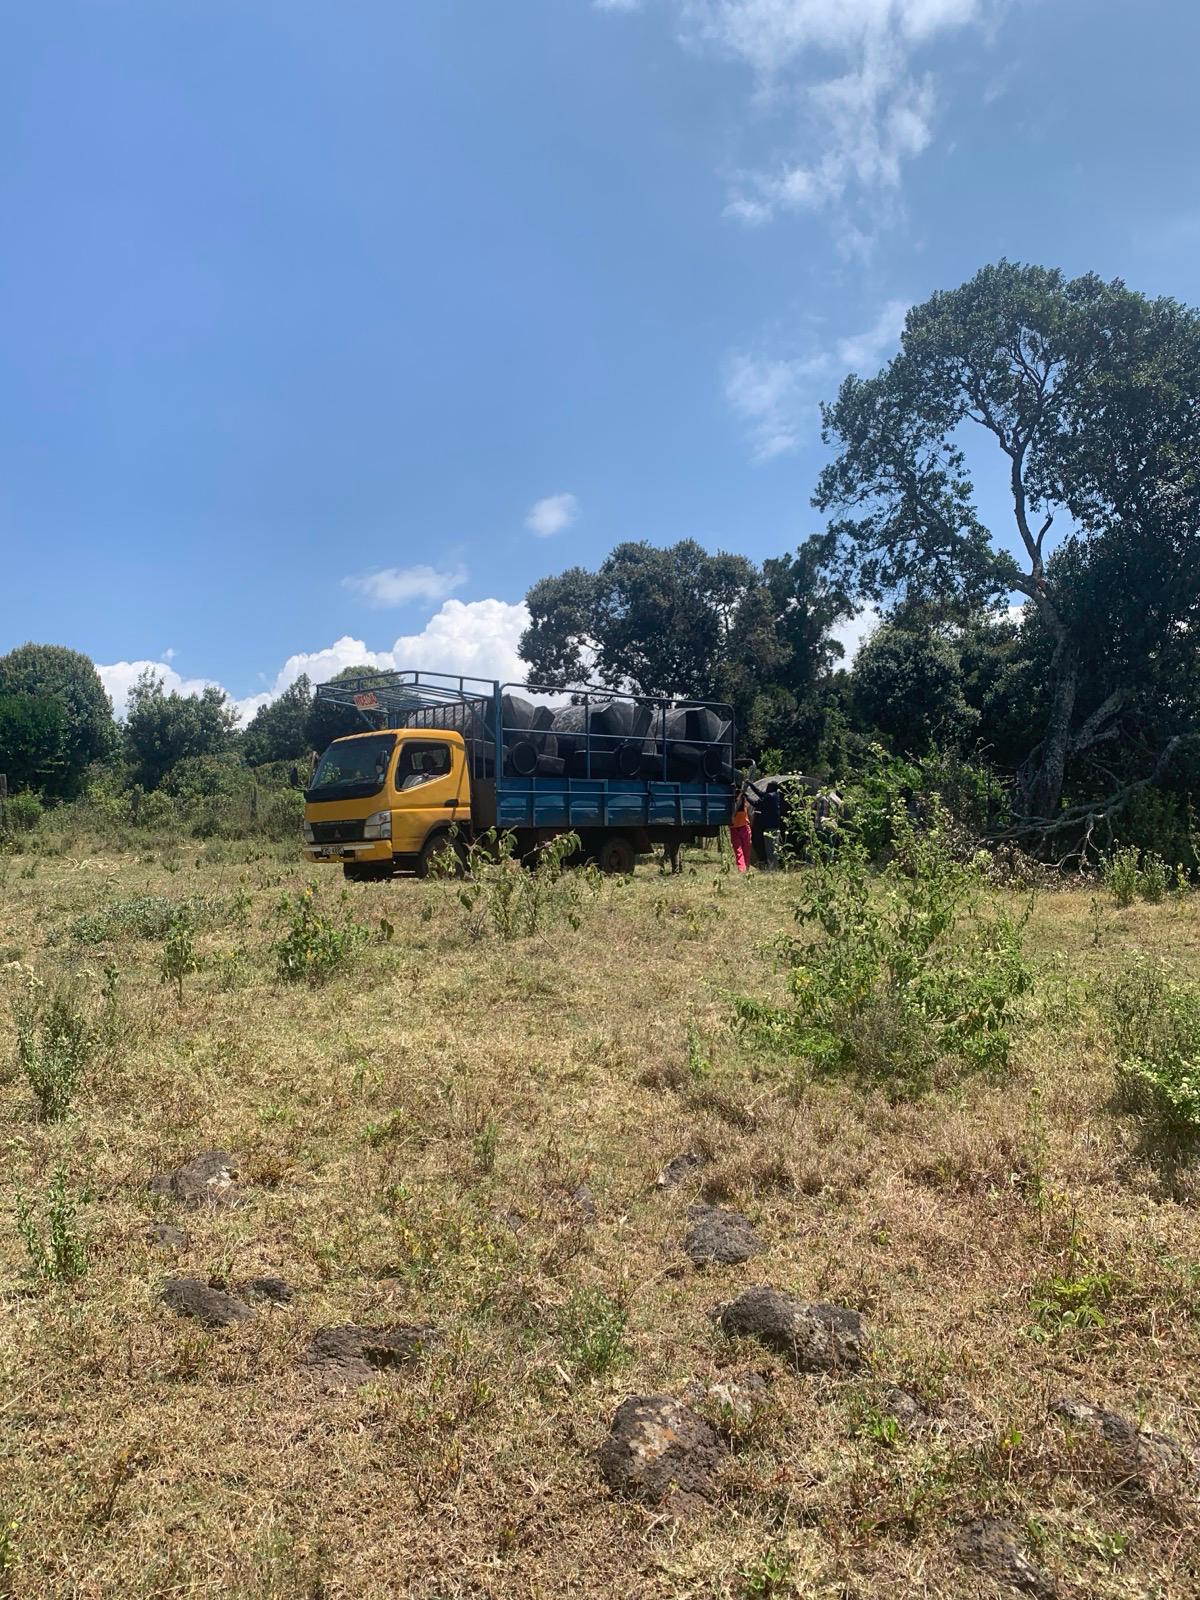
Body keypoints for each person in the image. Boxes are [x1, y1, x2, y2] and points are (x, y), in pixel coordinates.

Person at [757, 781, 783, 871]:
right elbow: (761, 794)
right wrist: (751, 785)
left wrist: (747, 797)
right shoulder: (776, 795)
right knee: (775, 848)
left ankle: (772, 868)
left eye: (768, 786)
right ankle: (775, 867)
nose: (766, 788)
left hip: (769, 827)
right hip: (776, 826)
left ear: (771, 787)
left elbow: (757, 804)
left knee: (769, 849)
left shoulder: (769, 796)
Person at [730, 785, 752, 873]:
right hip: (743, 826)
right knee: (746, 848)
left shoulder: (730, 802)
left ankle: (742, 868)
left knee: (738, 849)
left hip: (734, 827)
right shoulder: (743, 800)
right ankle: (745, 867)